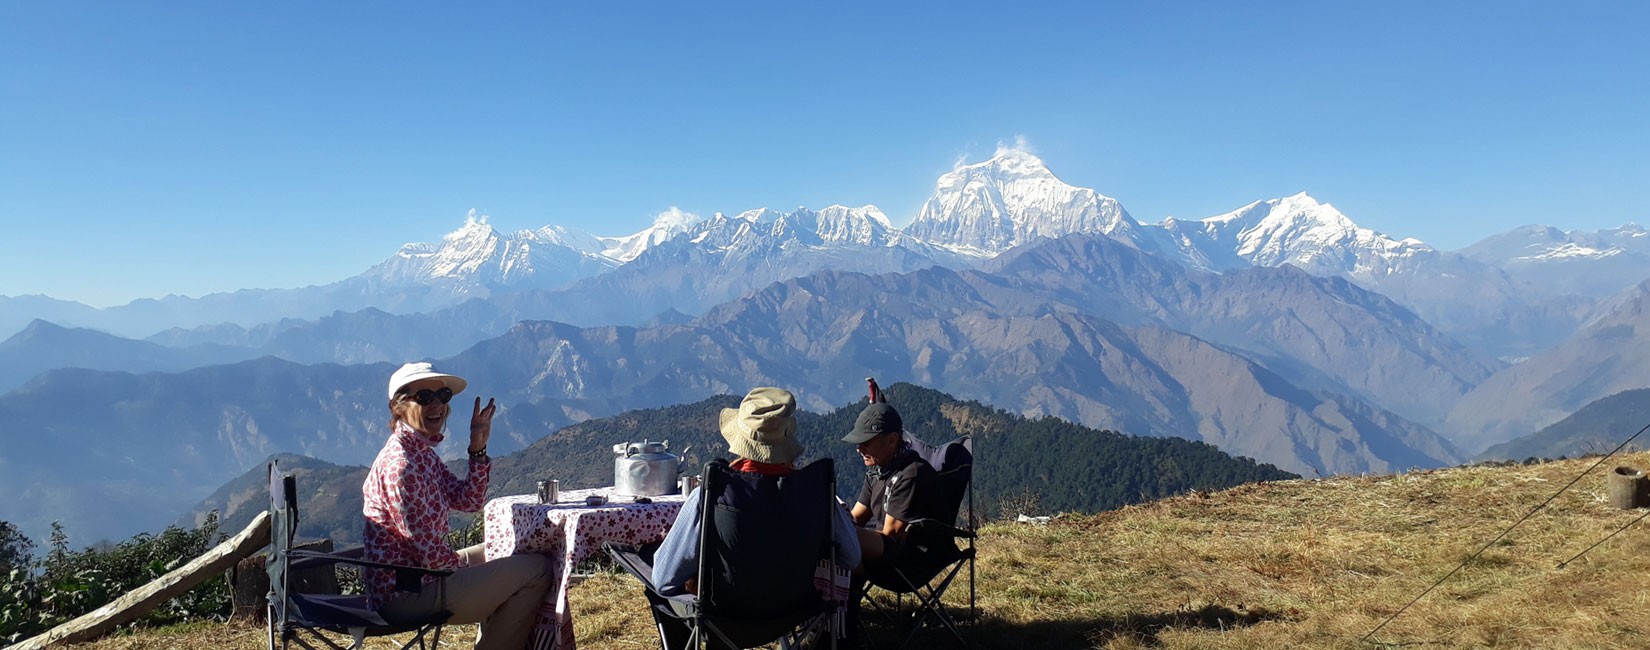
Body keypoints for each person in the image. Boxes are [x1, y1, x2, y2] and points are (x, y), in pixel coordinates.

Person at [648, 386, 862, 648]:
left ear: (740, 440)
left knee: (653, 585)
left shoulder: (713, 493)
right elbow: (851, 557)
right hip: (794, 612)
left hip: (722, 618)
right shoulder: (817, 493)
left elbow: (664, 579)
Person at [362, 361, 554, 650]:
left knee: (514, 549)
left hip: (420, 577)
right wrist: (470, 567)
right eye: (424, 397)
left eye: (443, 396)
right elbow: (430, 555)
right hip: (407, 593)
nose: (436, 405)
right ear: (397, 407)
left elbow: (468, 500)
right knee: (537, 569)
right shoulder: (402, 465)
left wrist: (477, 447)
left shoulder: (420, 453)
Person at [841, 380, 951, 587]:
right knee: (835, 535)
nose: (859, 449)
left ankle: (845, 614)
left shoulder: (912, 473)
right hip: (887, 550)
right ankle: (836, 611)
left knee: (840, 541)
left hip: (913, 560)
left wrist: (844, 534)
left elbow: (892, 535)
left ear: (892, 440)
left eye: (866, 443)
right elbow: (857, 517)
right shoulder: (876, 470)